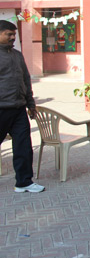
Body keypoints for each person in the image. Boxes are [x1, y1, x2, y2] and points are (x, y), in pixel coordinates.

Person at [0, 20, 44, 193]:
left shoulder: (17, 55)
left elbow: (25, 80)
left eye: (14, 34)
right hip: (2, 109)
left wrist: (31, 104)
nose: (13, 37)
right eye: (9, 34)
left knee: (23, 147)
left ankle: (24, 182)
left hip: (19, 109)